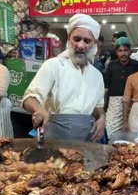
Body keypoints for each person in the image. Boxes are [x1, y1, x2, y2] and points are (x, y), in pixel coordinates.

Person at [22, 14, 105, 142]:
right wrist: (39, 109)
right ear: (69, 39)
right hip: (53, 136)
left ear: (94, 44)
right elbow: (29, 98)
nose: (81, 45)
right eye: (76, 39)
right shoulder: (54, 65)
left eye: (87, 41)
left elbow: (98, 106)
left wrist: (101, 118)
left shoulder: (97, 75)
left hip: (86, 139)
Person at [104, 37, 138, 139]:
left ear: (130, 51)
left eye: (125, 50)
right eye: (120, 51)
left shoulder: (137, 65)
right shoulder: (112, 65)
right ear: (116, 52)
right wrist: (104, 106)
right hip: (113, 104)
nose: (123, 53)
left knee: (128, 132)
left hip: (130, 103)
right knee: (111, 130)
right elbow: (106, 86)